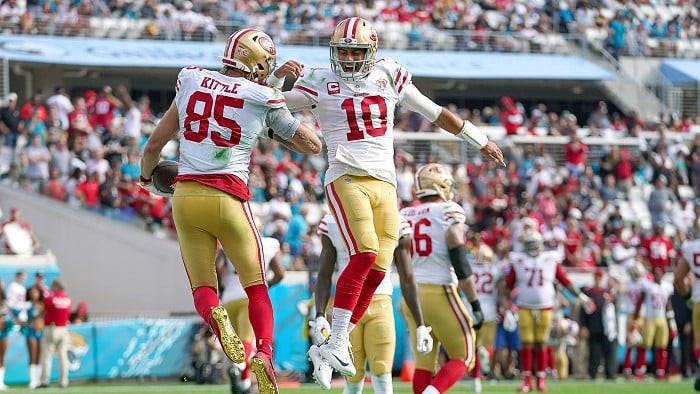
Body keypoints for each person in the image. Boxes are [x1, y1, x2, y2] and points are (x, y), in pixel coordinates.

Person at [276, 16, 506, 379]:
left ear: (372, 52)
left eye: (356, 51)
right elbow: (269, 105)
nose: (350, 58)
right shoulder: (319, 80)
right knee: (365, 251)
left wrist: (478, 139)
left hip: (385, 184)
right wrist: (277, 77)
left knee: (379, 269)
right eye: (344, 51)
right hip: (346, 175)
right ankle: (335, 341)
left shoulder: (388, 75)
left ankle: (331, 346)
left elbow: (436, 113)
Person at [138, 28, 322, 394]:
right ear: (258, 64)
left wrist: (147, 180)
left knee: (203, 288)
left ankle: (219, 326)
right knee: (257, 290)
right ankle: (265, 355)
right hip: (228, 199)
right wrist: (269, 118)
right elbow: (311, 144)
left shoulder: (191, 79)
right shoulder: (263, 94)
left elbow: (154, 145)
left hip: (186, 197)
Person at [309, 212, 431, 392]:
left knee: (382, 372)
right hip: (348, 305)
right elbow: (324, 275)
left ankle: (322, 352)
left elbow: (407, 277)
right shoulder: (333, 220)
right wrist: (319, 315)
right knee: (352, 375)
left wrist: (421, 324)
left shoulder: (394, 220)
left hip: (379, 302)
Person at [398, 163, 485, 394]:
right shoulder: (448, 210)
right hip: (440, 291)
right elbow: (456, 244)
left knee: (424, 363)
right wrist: (475, 302)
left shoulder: (404, 214)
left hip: (411, 296)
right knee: (465, 355)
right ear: (441, 185)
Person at [504, 230, 592, 392]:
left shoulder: (550, 260)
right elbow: (507, 285)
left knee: (542, 343)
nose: (532, 248)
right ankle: (527, 380)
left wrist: (581, 296)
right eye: (529, 245)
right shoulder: (519, 260)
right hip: (525, 306)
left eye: (534, 244)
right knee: (527, 343)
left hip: (545, 306)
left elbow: (564, 280)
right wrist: (507, 306)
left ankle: (541, 379)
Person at [216, 236, 285, 394]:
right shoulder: (269, 243)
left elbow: (217, 266)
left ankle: (244, 383)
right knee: (248, 341)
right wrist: (266, 286)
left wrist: (221, 288)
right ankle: (238, 366)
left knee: (238, 342)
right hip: (251, 296)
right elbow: (280, 273)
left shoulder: (229, 240)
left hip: (229, 298)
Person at [632, 266, 676, 380]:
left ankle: (660, 371)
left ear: (662, 274)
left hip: (661, 318)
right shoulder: (648, 286)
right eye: (655, 273)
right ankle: (639, 370)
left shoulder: (666, 286)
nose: (657, 275)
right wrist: (636, 318)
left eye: (659, 273)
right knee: (645, 344)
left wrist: (672, 322)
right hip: (650, 317)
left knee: (662, 345)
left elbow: (668, 304)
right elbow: (640, 301)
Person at [469, 245, 500, 393]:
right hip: (489, 311)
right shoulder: (495, 269)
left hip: (472, 310)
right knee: (488, 346)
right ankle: (484, 354)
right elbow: (502, 289)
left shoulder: (469, 268)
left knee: (473, 348)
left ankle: (476, 380)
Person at [672, 234, 700, 390]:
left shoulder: (690, 247)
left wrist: (687, 297)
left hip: (697, 299)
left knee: (699, 342)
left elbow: (677, 279)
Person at [580, 268, 617, 380]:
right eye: (596, 276)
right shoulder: (589, 293)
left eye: (600, 276)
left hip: (608, 328)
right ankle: (593, 374)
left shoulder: (607, 293)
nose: (598, 279)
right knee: (594, 353)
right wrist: (584, 326)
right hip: (594, 327)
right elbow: (584, 312)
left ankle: (610, 374)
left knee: (609, 352)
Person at [39, 279, 72, 389]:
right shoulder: (67, 299)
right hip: (64, 328)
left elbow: (42, 309)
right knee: (63, 356)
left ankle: (45, 381)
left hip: (51, 328)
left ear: (56, 286)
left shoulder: (50, 299)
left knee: (47, 357)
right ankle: (63, 381)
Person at [621, 263, 648, 379]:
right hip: (631, 314)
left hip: (642, 314)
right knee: (631, 342)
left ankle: (639, 369)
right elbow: (621, 290)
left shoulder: (644, 283)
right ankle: (627, 368)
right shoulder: (627, 283)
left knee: (643, 342)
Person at [23, 286, 44, 389]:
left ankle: (38, 379)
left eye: (36, 292)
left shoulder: (42, 305)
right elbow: (22, 318)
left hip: (41, 332)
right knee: (33, 356)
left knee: (40, 356)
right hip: (31, 332)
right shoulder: (27, 305)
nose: (34, 294)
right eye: (32, 292)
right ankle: (32, 380)